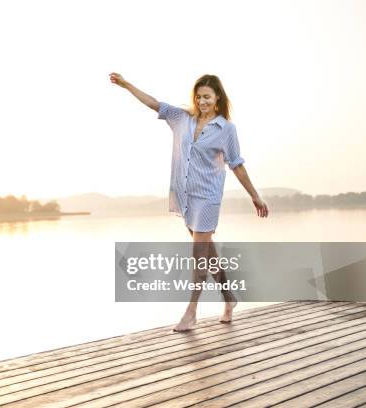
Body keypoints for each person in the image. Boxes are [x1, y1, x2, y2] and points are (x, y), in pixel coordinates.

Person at [109, 72, 269, 331]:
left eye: (207, 96)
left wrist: (254, 195)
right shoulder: (182, 119)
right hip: (185, 197)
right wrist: (127, 85)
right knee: (208, 254)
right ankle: (229, 298)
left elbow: (236, 165)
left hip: (207, 198)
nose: (202, 100)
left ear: (217, 98)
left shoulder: (226, 129)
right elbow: (153, 103)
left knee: (198, 257)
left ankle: (191, 311)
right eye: (198, 96)